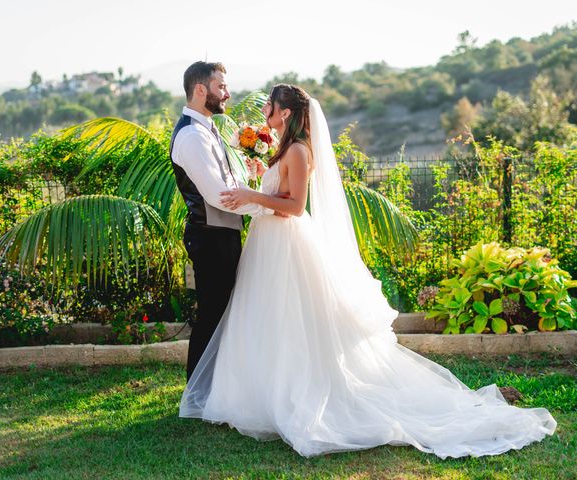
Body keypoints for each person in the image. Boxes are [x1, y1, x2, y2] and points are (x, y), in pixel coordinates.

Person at [179, 84, 557, 458]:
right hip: (269, 243)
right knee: (269, 321)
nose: (265, 113)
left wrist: (251, 196)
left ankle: (292, 395)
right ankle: (259, 394)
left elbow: (294, 206)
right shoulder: (283, 149)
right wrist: (261, 178)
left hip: (286, 243)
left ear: (287, 114)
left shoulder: (297, 149)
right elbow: (279, 195)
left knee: (291, 322)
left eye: (271, 108)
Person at [169, 61, 274, 382]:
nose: (227, 93)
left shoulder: (206, 130)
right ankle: (199, 390)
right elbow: (219, 195)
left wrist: (257, 190)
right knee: (212, 315)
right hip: (210, 236)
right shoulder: (191, 136)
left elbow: (229, 182)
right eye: (221, 87)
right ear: (200, 90)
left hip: (221, 233)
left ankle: (217, 387)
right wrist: (267, 209)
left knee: (221, 313)